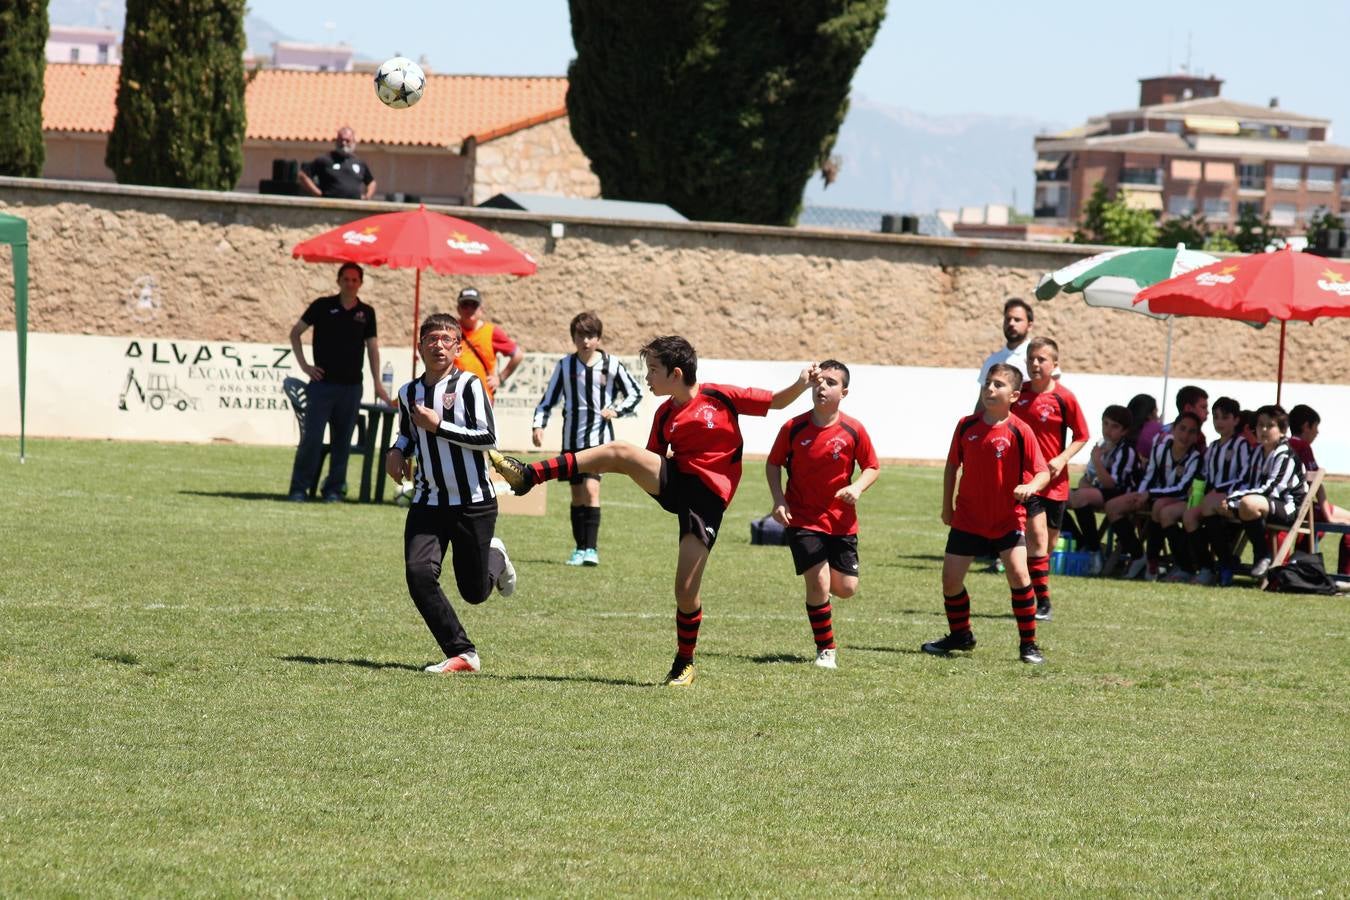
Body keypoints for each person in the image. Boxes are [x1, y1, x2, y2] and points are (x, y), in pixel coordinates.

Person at [491, 335, 819, 687]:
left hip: (706, 500)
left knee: (686, 591)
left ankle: (685, 663)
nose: (647, 377)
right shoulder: (665, 413)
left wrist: (802, 382)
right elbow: (653, 458)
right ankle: (530, 474)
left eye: (652, 370)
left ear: (675, 374)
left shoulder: (719, 396)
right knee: (620, 451)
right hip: (675, 481)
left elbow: (776, 402)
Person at [384, 313, 517, 675]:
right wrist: (397, 450)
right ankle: (462, 653)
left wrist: (439, 425)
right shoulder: (408, 392)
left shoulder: (471, 385)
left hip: (473, 501)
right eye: (431, 339)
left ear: (458, 348)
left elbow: (488, 439)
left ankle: (496, 556)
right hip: (428, 501)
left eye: (446, 339)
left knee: (475, 592)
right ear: (420, 347)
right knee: (418, 574)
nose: (438, 345)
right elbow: (408, 433)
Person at [922, 363, 1050, 665]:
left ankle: (1028, 645)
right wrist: (947, 506)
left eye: (998, 385)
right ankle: (960, 635)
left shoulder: (1021, 430)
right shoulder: (967, 425)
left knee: (1019, 576)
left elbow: (1043, 472)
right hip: (968, 518)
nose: (990, 389)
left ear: (1015, 395)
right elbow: (953, 466)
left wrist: (1030, 485)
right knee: (950, 581)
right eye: (988, 384)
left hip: (1007, 519)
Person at [765, 360, 880, 670]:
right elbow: (773, 464)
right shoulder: (793, 428)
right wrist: (778, 500)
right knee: (818, 583)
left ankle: (826, 574)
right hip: (802, 518)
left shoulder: (853, 429)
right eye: (819, 381)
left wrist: (856, 488)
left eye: (831, 383)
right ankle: (826, 650)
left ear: (844, 391)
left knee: (846, 588)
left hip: (841, 521)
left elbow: (872, 467)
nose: (822, 387)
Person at [531, 311, 644, 566]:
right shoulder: (565, 366)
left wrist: (616, 410)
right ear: (573, 337)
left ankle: (591, 550)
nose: (586, 341)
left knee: (592, 490)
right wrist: (538, 426)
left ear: (598, 338)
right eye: (581, 335)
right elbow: (548, 400)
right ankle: (579, 548)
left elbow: (635, 393)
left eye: (591, 335)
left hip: (599, 441)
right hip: (571, 440)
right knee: (577, 495)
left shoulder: (611, 364)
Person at [287, 262, 392, 502]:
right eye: (346, 279)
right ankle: (298, 489)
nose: (350, 283)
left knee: (342, 442)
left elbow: (373, 348)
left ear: (361, 284)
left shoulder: (367, 312)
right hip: (322, 386)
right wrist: (305, 366)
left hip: (352, 387)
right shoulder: (322, 306)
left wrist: (378, 382)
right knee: (312, 439)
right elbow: (295, 333)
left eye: (355, 280)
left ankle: (333, 490)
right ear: (338, 281)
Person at [1010, 337, 1088, 621]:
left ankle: (1037, 592)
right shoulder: (1019, 394)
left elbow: (1082, 435)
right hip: (1027, 480)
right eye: (1031, 358)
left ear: (1054, 364)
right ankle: (1041, 602)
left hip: (1056, 482)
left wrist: (1062, 458)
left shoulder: (1064, 397)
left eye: (1041, 359)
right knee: (1038, 537)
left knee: (1049, 544)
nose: (1034, 364)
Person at [1107, 412, 1202, 580]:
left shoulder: (1195, 458)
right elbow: (1149, 476)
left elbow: (1182, 489)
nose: (1185, 435)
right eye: (1182, 429)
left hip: (1178, 500)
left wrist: (1149, 494)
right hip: (1153, 496)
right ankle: (1138, 555)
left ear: (1196, 436)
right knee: (1113, 507)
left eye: (1192, 432)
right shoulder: (1160, 449)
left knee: (1160, 507)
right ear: (1173, 429)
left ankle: (1159, 562)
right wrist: (1141, 493)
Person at [1221, 404, 1307, 579]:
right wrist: (1229, 497)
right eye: (1260, 425)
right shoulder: (1257, 452)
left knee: (1248, 504)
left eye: (1270, 425)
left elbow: (1272, 490)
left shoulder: (1285, 454)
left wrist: (1233, 499)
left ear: (1283, 431)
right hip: (1263, 503)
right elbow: (1243, 481)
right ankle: (1224, 561)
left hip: (1287, 507)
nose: (1264, 430)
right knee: (1213, 506)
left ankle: (1262, 555)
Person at [1177, 396, 1251, 585]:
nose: (1219, 422)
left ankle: (1225, 564)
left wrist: (1219, 490)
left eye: (1225, 418)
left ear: (1236, 420)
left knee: (1208, 507)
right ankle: (1206, 567)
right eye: (1216, 417)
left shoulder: (1241, 445)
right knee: (1189, 516)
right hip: (1211, 500)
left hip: (1232, 498)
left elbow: (1244, 477)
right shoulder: (1212, 447)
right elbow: (1204, 475)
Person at [1068, 404, 1136, 575]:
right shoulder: (1101, 445)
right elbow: (1087, 478)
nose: (1108, 430)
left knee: (1081, 497)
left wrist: (1097, 461)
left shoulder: (1126, 451)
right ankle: (1080, 540)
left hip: (1121, 493)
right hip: (1098, 490)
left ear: (1124, 431)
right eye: (1105, 424)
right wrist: (1087, 479)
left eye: (1114, 426)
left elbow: (1111, 485)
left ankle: (1094, 551)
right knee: (1057, 497)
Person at [454, 287, 524, 400]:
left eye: (473, 305)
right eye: (465, 305)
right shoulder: (450, 329)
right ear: (458, 309)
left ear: (481, 310)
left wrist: (500, 378)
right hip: (453, 394)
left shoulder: (491, 332)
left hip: (482, 397)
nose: (469, 309)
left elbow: (518, 355)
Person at [974, 298, 1034, 410]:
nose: (1011, 323)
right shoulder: (993, 360)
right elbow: (982, 404)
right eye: (1008, 319)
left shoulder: (1038, 357)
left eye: (1017, 320)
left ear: (1029, 325)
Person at [298, 126, 377, 200]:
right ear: (336, 141)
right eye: (341, 140)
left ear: (353, 142)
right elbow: (303, 175)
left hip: (354, 208)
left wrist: (367, 196)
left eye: (347, 140)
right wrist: (317, 193)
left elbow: (371, 182)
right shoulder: (325, 160)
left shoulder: (360, 163)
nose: (344, 143)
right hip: (330, 207)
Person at [1127, 393, 1161, 464]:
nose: (1158, 417)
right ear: (1150, 414)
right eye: (1156, 411)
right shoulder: (1156, 429)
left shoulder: (1122, 429)